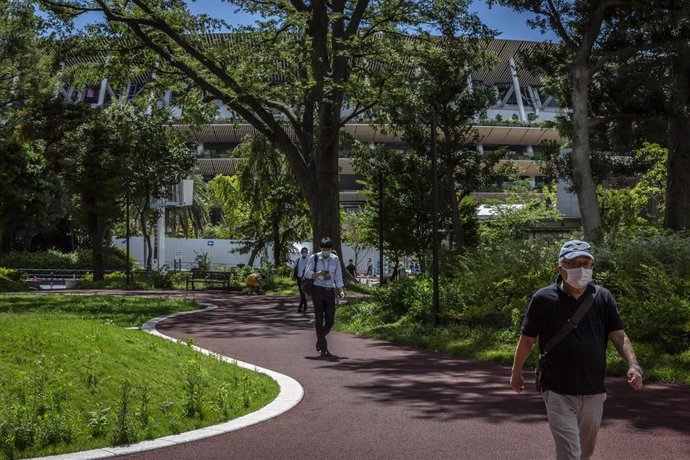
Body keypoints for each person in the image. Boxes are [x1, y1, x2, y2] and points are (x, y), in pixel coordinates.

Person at [510, 240, 643, 460]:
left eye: (585, 263)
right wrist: (516, 373)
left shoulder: (603, 297)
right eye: (573, 263)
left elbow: (619, 336)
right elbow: (527, 340)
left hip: (594, 389)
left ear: (592, 266)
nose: (580, 269)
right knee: (570, 453)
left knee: (585, 453)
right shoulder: (543, 298)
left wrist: (633, 365)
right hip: (556, 390)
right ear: (560, 268)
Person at [305, 237, 345, 357]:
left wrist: (340, 290)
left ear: (331, 249)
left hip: (330, 290)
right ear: (320, 248)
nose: (326, 251)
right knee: (319, 318)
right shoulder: (314, 257)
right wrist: (318, 274)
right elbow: (307, 273)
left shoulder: (335, 259)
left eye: (328, 249)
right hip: (317, 289)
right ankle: (323, 348)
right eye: (324, 249)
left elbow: (338, 275)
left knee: (330, 320)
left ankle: (320, 339)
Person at [293, 247, 311, 312]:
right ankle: (304, 305)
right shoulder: (297, 260)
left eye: (305, 252)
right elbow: (295, 269)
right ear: (301, 252)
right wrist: (295, 277)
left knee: (303, 292)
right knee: (301, 293)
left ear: (307, 253)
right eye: (303, 252)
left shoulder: (309, 260)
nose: (304, 253)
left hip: (305, 279)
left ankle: (301, 307)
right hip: (299, 278)